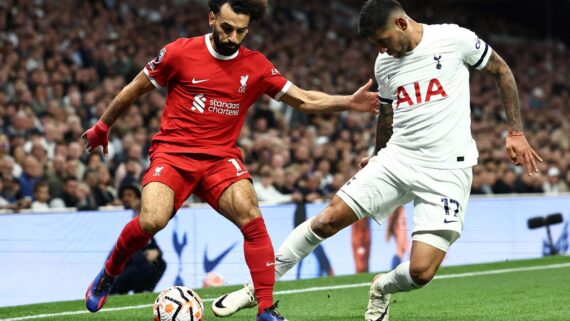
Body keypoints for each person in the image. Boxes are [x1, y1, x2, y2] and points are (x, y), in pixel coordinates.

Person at [210, 1, 543, 320]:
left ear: (401, 23)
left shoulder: (455, 39)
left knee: (421, 271)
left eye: (384, 41)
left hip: (447, 170)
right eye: (376, 45)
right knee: (327, 219)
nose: (383, 50)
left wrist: (515, 132)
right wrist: (378, 155)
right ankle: (256, 288)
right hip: (397, 158)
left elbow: (501, 71)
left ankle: (381, 288)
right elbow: (386, 114)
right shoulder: (384, 63)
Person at [82, 1, 378, 320]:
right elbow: (135, 88)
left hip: (220, 160)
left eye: (242, 31)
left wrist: (348, 101)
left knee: (252, 217)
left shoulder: (257, 66)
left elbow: (304, 99)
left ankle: (265, 309)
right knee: (153, 220)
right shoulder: (179, 52)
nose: (234, 37)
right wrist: (102, 126)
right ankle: (109, 274)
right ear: (212, 19)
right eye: (227, 28)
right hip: (173, 153)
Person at [110, 184, 167, 295]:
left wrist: (157, 252)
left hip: (135, 267)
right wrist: (148, 256)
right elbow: (132, 256)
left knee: (161, 263)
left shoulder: (146, 230)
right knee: (145, 266)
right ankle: (127, 291)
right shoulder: (132, 229)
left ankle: (145, 290)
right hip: (121, 272)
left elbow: (156, 249)